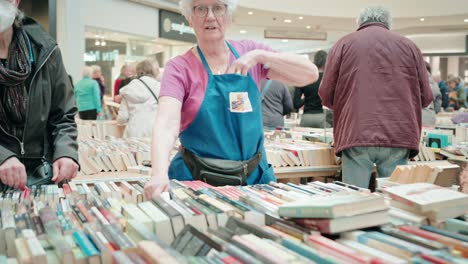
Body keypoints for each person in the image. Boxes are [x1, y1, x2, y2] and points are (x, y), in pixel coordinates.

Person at [144, 0, 318, 197]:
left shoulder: (250, 53)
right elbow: (167, 123)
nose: (210, 16)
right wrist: (158, 173)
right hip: (195, 180)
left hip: (253, 181)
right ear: (189, 18)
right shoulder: (179, 67)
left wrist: (261, 56)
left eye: (218, 7)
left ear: (228, 15)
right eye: (200, 8)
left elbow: (310, 74)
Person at [319, 6, 432, 188]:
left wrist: (345, 105)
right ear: (388, 23)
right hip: (399, 132)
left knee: (354, 201)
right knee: (394, 202)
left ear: (359, 22)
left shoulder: (343, 44)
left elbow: (325, 94)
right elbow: (426, 97)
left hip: (355, 130)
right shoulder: (410, 46)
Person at [0, 0, 79, 190]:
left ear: (16, 1)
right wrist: (3, 156)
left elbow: (63, 114)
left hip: (41, 174)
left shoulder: (45, 49)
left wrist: (65, 152)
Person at [117, 59, 160, 137]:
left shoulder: (129, 88)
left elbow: (122, 118)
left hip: (133, 130)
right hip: (153, 129)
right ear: (152, 70)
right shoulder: (158, 87)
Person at [293, 50, 331, 128]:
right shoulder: (329, 79)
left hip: (306, 117)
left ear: (314, 62)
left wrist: (307, 98)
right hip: (322, 116)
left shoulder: (305, 78)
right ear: (326, 62)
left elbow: (296, 104)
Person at [421, 61, 441, 126]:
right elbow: (437, 105)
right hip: (431, 118)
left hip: (416, 118)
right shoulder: (434, 84)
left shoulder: (412, 82)